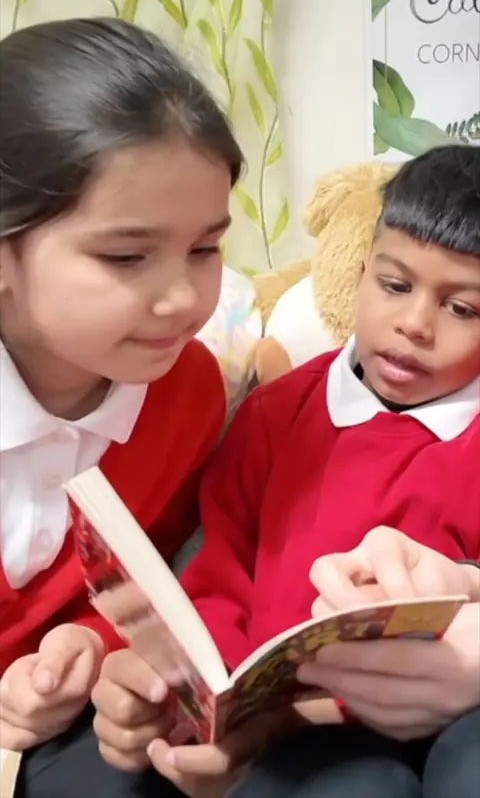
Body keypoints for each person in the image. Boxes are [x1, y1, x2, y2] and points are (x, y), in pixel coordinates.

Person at [92, 145, 480, 797]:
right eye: (393, 285)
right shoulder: (276, 413)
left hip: (453, 716)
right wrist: (208, 703)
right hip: (293, 730)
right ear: (359, 274)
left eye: (462, 308)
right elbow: (221, 575)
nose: (413, 324)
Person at [0, 16, 244, 798]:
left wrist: (87, 641)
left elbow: (150, 577)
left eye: (206, 248)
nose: (182, 298)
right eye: (126, 256)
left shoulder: (189, 388)